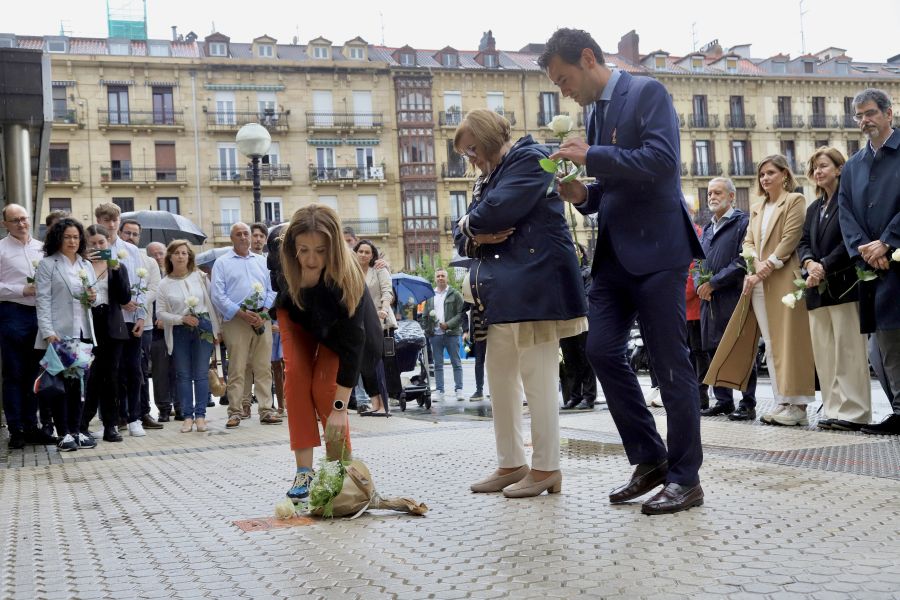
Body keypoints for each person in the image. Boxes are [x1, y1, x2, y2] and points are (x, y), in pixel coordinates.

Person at [541, 28, 705, 513]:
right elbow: (610, 188)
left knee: (670, 364)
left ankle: (686, 478)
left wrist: (589, 155)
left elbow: (660, 159)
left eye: (565, 79)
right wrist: (581, 196)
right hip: (613, 255)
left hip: (659, 252)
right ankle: (649, 458)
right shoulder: (594, 114)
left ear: (588, 58)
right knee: (600, 349)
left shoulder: (647, 91)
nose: (563, 90)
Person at [453, 108, 587, 498]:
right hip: (506, 291)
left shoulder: (530, 159)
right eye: (466, 154)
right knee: (500, 377)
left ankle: (546, 468)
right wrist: (473, 231)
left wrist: (470, 225)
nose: (471, 159)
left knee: (538, 380)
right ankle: (511, 462)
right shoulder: (492, 175)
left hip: (538, 287)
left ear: (489, 139)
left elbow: (496, 212)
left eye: (472, 149)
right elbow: (468, 234)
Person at [274, 204, 383, 502]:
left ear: (333, 247)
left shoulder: (347, 282)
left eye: (320, 251)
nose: (311, 260)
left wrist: (338, 408)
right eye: (303, 250)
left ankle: (338, 469)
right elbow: (282, 295)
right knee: (296, 378)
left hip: (337, 335)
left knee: (325, 389)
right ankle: (304, 471)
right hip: (296, 316)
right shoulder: (281, 257)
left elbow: (352, 346)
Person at [708, 155, 816, 426]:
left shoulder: (795, 200)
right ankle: (782, 401)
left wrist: (764, 268)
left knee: (790, 342)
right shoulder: (756, 208)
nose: (765, 178)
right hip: (757, 282)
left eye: (770, 173)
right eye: (762, 174)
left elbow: (791, 239)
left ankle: (799, 405)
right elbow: (748, 243)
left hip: (783, 280)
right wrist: (755, 265)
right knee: (770, 343)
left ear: (784, 175)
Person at [838, 88, 900, 435]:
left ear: (889, 114)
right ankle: (897, 409)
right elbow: (846, 212)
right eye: (859, 116)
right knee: (879, 344)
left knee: (894, 339)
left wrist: (888, 242)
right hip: (871, 269)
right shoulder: (853, 166)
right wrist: (864, 248)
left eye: (871, 113)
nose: (865, 121)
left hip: (896, 262)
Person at [799, 147, 871, 431]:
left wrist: (823, 266)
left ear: (839, 169)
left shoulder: (849, 202)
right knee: (826, 353)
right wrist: (808, 263)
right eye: (815, 167)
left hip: (843, 285)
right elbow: (803, 241)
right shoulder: (814, 208)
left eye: (824, 166)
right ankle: (833, 408)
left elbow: (849, 241)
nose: (818, 171)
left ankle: (855, 412)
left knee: (848, 350)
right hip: (817, 289)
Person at [34, 218, 98, 452]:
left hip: (83, 333)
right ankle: (64, 434)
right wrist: (48, 332)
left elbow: (95, 296)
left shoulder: (85, 265)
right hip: (60, 334)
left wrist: (94, 297)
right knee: (60, 387)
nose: (72, 241)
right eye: (67, 237)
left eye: (76, 237)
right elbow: (42, 300)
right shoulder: (48, 264)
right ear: (58, 239)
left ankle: (78, 430)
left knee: (79, 385)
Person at [696, 178, 757, 421]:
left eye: (717, 192)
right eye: (709, 193)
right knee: (712, 347)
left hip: (732, 295)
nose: (712, 196)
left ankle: (748, 402)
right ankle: (723, 400)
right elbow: (697, 260)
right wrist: (700, 283)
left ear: (731, 197)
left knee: (738, 347)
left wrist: (714, 282)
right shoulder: (707, 228)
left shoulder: (742, 223)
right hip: (708, 299)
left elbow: (743, 260)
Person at [211, 222, 281, 428]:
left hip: (262, 319)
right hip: (236, 321)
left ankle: (266, 409)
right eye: (238, 234)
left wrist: (266, 311)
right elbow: (217, 295)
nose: (243, 237)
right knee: (237, 367)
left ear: (251, 238)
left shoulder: (262, 261)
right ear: (231, 238)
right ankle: (235, 411)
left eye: (246, 234)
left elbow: (273, 289)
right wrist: (241, 313)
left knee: (263, 367)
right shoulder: (222, 263)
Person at [0, 204, 56, 449]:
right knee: (14, 374)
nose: (21, 224)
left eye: (23, 219)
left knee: (36, 374)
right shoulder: (1, 250)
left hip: (41, 315)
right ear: (5, 224)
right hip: (13, 314)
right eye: (15, 221)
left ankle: (32, 427)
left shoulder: (43, 249)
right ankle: (16, 429)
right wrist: (21, 289)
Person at [95, 203, 148, 437]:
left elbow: (141, 282)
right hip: (108, 317)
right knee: (110, 371)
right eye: (106, 219)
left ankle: (135, 417)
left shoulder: (132, 250)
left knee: (134, 369)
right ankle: (114, 418)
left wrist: (141, 315)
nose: (111, 224)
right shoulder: (95, 248)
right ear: (99, 220)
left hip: (131, 316)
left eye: (115, 219)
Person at [157, 240, 220, 433]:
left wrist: (217, 330)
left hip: (203, 328)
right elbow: (160, 314)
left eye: (184, 253)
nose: (181, 256)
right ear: (170, 257)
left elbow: (212, 304)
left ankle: (200, 416)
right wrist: (180, 319)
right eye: (176, 253)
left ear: (189, 256)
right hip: (179, 331)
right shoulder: (164, 283)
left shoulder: (200, 277)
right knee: (183, 375)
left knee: (201, 374)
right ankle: (187, 417)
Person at [81, 224, 132, 442]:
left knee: (110, 376)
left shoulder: (117, 266)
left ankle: (110, 425)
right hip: (87, 324)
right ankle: (82, 423)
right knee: (90, 376)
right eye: (93, 244)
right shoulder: (80, 265)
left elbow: (124, 298)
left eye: (101, 243)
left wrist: (117, 269)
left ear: (108, 243)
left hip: (111, 326)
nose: (98, 247)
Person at [119, 219, 164, 430]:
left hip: (142, 322)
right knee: (119, 368)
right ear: (119, 233)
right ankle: (120, 414)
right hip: (117, 321)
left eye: (135, 234)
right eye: (127, 233)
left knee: (140, 369)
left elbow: (154, 289)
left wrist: (137, 303)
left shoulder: (149, 262)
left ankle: (143, 413)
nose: (130, 237)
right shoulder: (114, 257)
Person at [354, 239, 395, 413]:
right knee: (365, 365)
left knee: (381, 364)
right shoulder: (352, 272)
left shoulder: (378, 269)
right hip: (361, 324)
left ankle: (384, 404)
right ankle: (375, 403)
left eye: (367, 252)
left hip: (381, 322)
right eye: (360, 251)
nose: (363, 254)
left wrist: (384, 308)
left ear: (372, 256)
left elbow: (387, 291)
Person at [420, 268, 466, 401]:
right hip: (435, 335)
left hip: (451, 333)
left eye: (443, 276)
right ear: (435, 279)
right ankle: (440, 391)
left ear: (447, 278)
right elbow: (424, 315)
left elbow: (461, 313)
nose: (440, 278)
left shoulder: (455, 294)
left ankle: (459, 390)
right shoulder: (430, 295)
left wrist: (449, 324)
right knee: (438, 365)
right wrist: (428, 329)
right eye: (438, 276)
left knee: (456, 363)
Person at [561, 243, 597, 410]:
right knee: (570, 360)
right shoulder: (562, 274)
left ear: (582, 254)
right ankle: (575, 396)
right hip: (565, 319)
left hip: (582, 319)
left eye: (577, 250)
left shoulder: (586, 273)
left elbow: (587, 295)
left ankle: (588, 397)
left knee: (585, 359)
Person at [146, 241, 179, 420]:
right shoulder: (147, 276)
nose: (158, 257)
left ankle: (180, 406)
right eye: (153, 254)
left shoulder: (174, 274)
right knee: (160, 373)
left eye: (160, 253)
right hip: (156, 333)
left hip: (175, 329)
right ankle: (164, 408)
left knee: (178, 371)